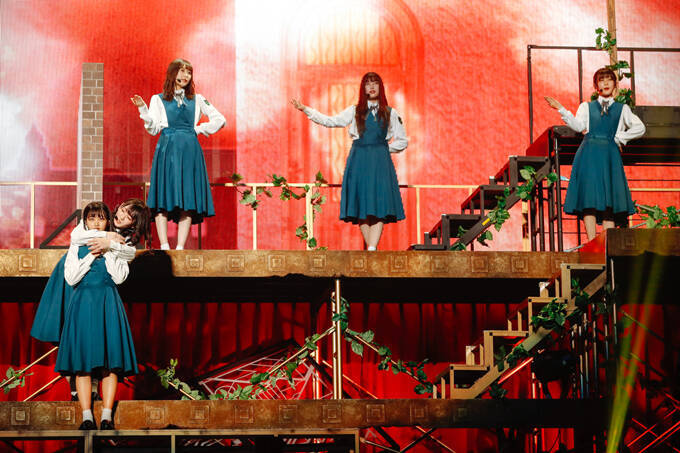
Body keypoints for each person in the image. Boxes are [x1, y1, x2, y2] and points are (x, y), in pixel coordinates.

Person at [30, 198, 150, 401]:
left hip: (99, 284)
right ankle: (75, 388)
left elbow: (129, 254)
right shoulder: (99, 217)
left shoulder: (127, 238)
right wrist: (107, 235)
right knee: (71, 331)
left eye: (129, 216)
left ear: (134, 223)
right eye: (123, 210)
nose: (122, 216)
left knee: (96, 335)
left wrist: (109, 244)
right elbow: (76, 236)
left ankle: (93, 389)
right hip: (74, 277)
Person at [291, 72, 408, 250]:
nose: (371, 87)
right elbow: (331, 121)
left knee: (379, 203)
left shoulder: (391, 113)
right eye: (367, 83)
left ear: (380, 87)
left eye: (375, 83)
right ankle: (372, 249)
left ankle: (372, 248)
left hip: (380, 163)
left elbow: (402, 141)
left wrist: (384, 149)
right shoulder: (354, 111)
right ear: (363, 88)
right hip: (358, 160)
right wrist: (306, 110)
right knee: (362, 203)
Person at [55, 201, 138, 430]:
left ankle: (107, 417)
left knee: (110, 364)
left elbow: (120, 278)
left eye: (101, 218)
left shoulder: (117, 245)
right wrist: (92, 255)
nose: (96, 222)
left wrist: (108, 249)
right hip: (82, 303)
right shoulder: (77, 244)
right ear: (85, 221)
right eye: (92, 218)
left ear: (107, 221)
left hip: (108, 303)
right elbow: (71, 278)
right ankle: (87, 417)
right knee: (82, 364)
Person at [131, 58, 225, 250]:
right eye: (182, 71)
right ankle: (165, 245)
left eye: (188, 72)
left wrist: (198, 129)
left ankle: (180, 247)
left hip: (190, 151)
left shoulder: (198, 99)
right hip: (167, 150)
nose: (185, 75)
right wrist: (143, 109)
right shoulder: (158, 99)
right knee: (163, 197)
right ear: (172, 74)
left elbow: (220, 119)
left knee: (187, 198)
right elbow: (153, 128)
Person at [545, 67, 645, 241]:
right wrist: (561, 109)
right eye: (601, 80)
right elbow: (578, 126)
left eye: (609, 79)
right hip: (589, 155)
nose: (605, 83)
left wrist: (620, 138)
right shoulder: (587, 107)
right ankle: (591, 243)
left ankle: (607, 245)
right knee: (589, 200)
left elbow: (640, 128)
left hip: (610, 156)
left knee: (609, 203)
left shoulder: (622, 109)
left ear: (615, 84)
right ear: (596, 85)